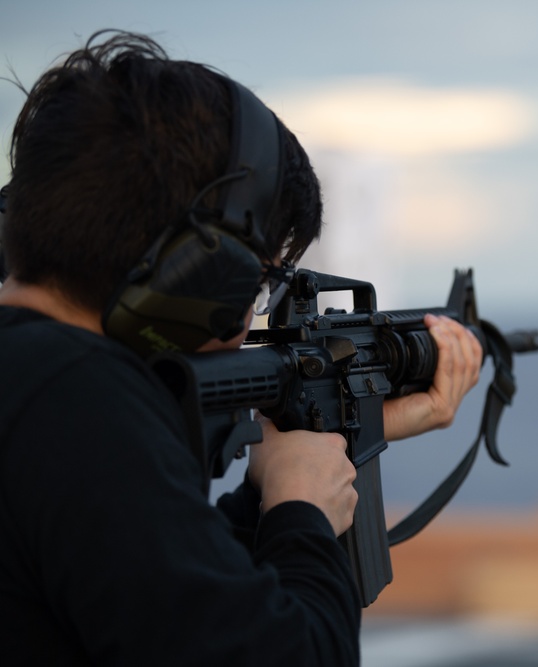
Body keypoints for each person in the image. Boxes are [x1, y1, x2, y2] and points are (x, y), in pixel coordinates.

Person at [0, 30, 482, 665]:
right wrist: (304, 514)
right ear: (203, 275)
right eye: (257, 284)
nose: (247, 318)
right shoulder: (81, 402)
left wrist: (279, 486)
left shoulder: (36, 385)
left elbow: (159, 605)